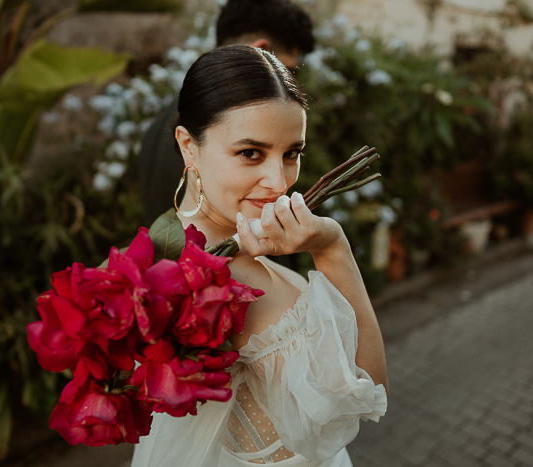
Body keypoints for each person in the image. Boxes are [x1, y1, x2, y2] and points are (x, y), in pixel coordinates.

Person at [130, 45, 388, 467]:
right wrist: (332, 246)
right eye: (251, 152)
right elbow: (368, 388)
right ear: (187, 146)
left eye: (292, 153)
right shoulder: (228, 286)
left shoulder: (161, 253)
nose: (278, 181)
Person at [139, 0, 315, 230]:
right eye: (288, 71)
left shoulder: (161, 125)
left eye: (292, 153)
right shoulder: (204, 128)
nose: (279, 185)